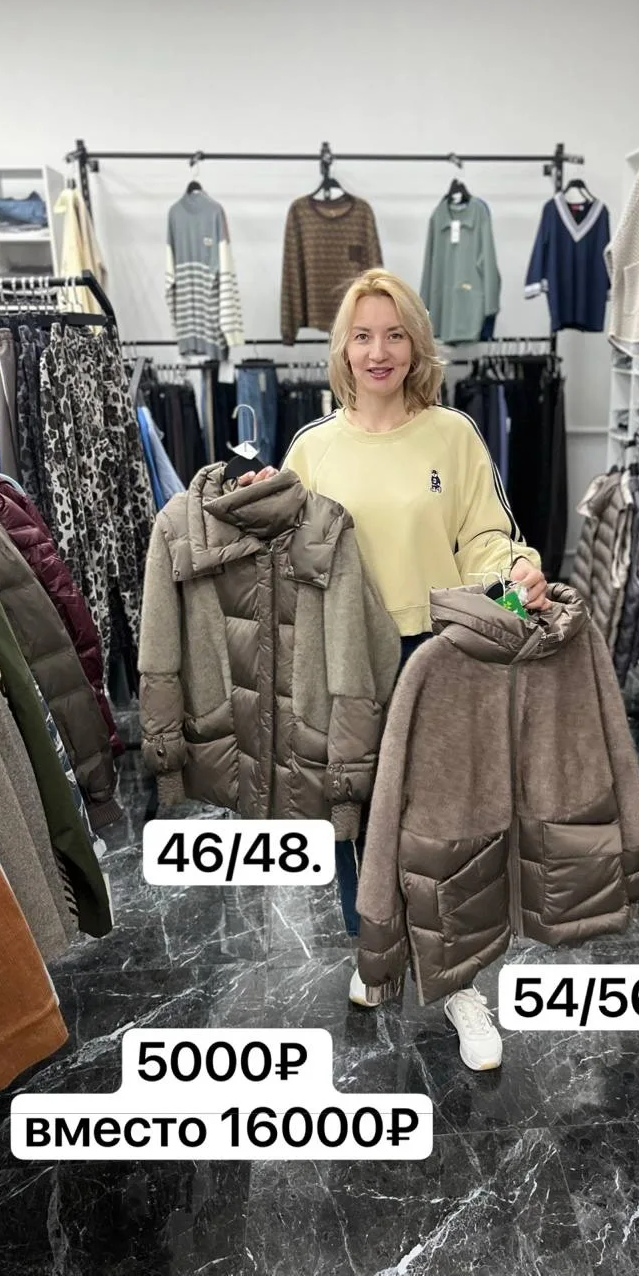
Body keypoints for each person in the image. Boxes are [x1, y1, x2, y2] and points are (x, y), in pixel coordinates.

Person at [241, 268, 548, 1069]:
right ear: (343, 349)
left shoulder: (452, 434)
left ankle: (460, 981)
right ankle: (375, 953)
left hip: (438, 653)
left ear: (416, 345)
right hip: (345, 662)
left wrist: (516, 569)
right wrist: (257, 510)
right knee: (355, 814)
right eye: (363, 336)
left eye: (395, 334)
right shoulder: (313, 448)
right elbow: (287, 561)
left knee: (451, 821)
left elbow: (484, 535)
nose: (379, 351)